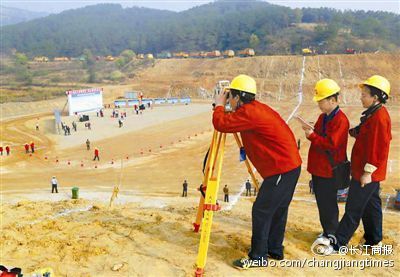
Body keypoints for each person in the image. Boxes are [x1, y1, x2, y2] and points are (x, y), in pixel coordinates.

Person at [213, 74, 302, 268]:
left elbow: (221, 124)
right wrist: (225, 108)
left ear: (237, 97)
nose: (229, 100)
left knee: (262, 210)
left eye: (231, 96)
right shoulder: (255, 109)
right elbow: (232, 120)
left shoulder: (250, 113)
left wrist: (219, 105)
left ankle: (258, 256)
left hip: (281, 168)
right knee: (278, 209)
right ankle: (274, 249)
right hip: (289, 166)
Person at [327, 75, 392, 253]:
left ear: (376, 98)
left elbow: (379, 148)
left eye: (364, 94)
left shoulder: (379, 118)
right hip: (364, 171)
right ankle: (374, 240)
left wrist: (368, 172)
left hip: (366, 172)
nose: (361, 97)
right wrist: (356, 132)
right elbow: (367, 134)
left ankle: (338, 243)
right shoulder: (373, 114)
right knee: (372, 207)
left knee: (353, 208)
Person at [301, 79, 349, 244]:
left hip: (329, 170)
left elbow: (331, 144)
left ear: (333, 100)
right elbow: (320, 137)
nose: (319, 104)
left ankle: (332, 233)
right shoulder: (324, 117)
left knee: (328, 204)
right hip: (319, 168)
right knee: (322, 203)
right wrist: (311, 130)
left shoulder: (340, 120)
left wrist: (312, 136)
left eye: (321, 101)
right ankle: (327, 231)